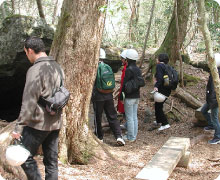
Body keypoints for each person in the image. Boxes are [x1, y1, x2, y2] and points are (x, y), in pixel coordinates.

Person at [12, 37, 64, 180]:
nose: (27, 56)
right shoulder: (57, 67)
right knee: (51, 162)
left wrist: (18, 127)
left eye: (26, 53)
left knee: (24, 156)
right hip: (55, 123)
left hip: (38, 124)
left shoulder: (35, 70)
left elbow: (29, 101)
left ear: (29, 50)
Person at [92, 48, 125, 146]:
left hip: (98, 96)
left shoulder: (95, 68)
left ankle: (100, 137)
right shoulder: (107, 67)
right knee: (112, 116)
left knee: (97, 117)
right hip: (109, 95)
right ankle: (119, 136)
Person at [121, 49, 142, 142]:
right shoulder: (138, 69)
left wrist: (121, 95)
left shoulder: (129, 70)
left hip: (129, 97)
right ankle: (134, 135)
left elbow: (124, 84)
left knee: (129, 117)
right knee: (134, 117)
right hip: (137, 96)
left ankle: (130, 137)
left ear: (127, 59)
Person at [201, 53, 220, 144]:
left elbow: (214, 89)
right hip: (211, 99)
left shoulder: (217, 74)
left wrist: (213, 102)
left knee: (214, 118)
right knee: (203, 110)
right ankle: (212, 125)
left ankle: (217, 137)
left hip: (214, 100)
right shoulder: (214, 71)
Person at [154, 53, 171, 131]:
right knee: (158, 106)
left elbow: (160, 78)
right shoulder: (167, 66)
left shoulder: (159, 66)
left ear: (160, 59)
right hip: (167, 90)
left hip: (162, 90)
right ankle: (159, 121)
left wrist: (156, 86)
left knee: (159, 107)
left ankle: (165, 123)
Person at [117, 49, 128, 129]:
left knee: (126, 109)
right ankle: (126, 124)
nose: (121, 60)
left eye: (122, 58)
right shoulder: (125, 67)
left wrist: (121, 95)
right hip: (124, 90)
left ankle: (128, 127)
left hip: (125, 92)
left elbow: (124, 82)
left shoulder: (127, 69)